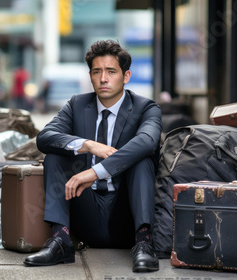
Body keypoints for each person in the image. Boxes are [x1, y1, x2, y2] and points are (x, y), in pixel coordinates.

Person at [24, 40, 162, 272]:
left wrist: (95, 171)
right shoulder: (77, 105)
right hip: (85, 209)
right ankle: (60, 241)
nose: (103, 79)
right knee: (55, 156)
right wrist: (88, 145)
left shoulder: (145, 107)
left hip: (125, 213)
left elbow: (148, 142)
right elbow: (45, 137)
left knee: (142, 160)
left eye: (111, 71)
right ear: (90, 75)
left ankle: (144, 244)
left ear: (126, 76)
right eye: (97, 72)